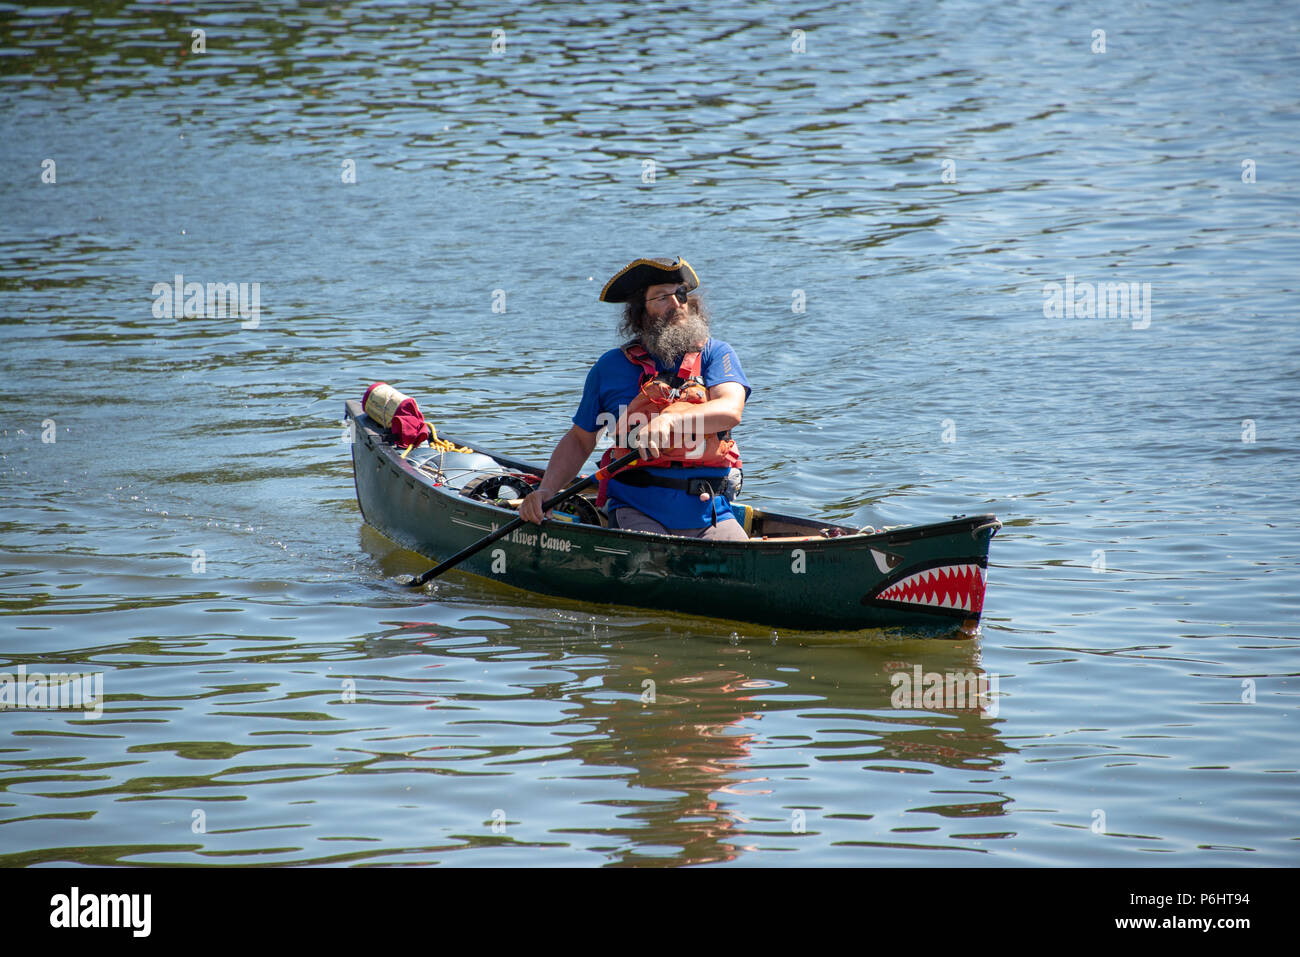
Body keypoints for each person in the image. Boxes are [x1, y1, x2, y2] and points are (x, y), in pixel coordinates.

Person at [519, 257, 751, 540]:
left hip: (709, 512)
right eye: (662, 297)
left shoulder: (717, 354)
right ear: (640, 313)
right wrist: (546, 490)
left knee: (741, 560)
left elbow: (730, 410)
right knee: (654, 560)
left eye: (680, 294)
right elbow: (581, 440)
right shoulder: (609, 367)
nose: (676, 304)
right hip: (636, 510)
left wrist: (669, 419)